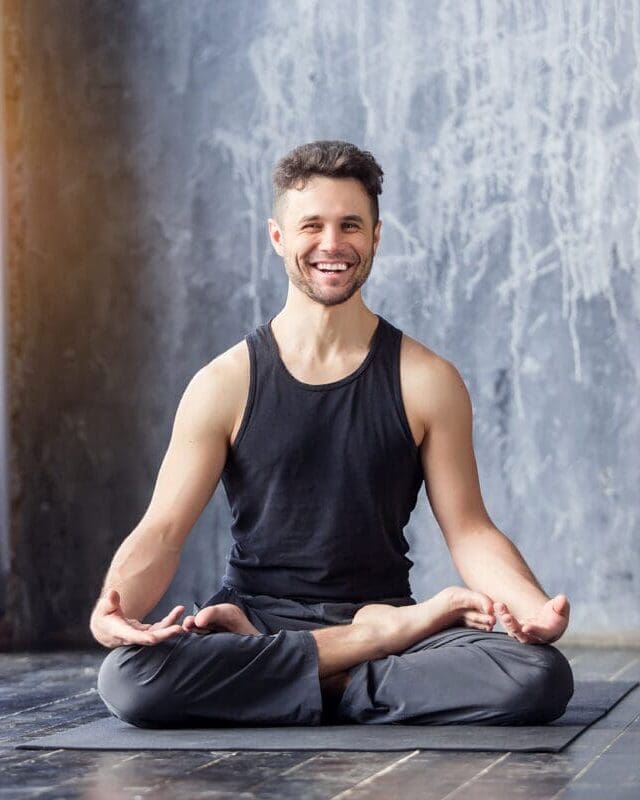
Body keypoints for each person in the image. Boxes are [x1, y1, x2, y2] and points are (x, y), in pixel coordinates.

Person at [92, 141, 573, 728]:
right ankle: (355, 659)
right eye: (311, 225)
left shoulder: (428, 381)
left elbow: (469, 531)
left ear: (375, 236)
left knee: (538, 676)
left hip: (379, 616)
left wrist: (533, 608)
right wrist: (110, 609)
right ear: (277, 237)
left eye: (350, 225)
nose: (331, 244)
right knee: (129, 679)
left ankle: (318, 671)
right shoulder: (224, 383)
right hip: (258, 621)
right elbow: (163, 530)